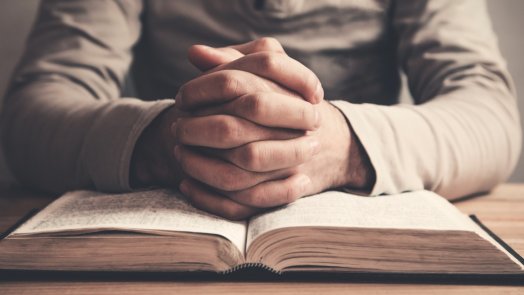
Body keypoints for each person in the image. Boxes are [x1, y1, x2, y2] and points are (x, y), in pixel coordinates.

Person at [1, 0, 521, 220]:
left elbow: (490, 113)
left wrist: (338, 147)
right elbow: (33, 112)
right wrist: (169, 141)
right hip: (172, 241)